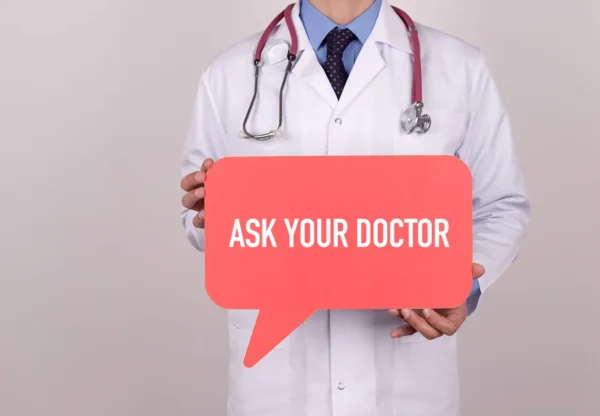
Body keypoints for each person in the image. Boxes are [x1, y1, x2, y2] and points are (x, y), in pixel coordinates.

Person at [179, 0, 531, 414]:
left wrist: (459, 285)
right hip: (278, 386)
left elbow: (501, 205)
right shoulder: (229, 73)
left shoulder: (459, 66)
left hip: (406, 387)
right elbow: (198, 217)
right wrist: (212, 217)